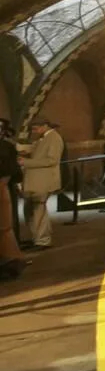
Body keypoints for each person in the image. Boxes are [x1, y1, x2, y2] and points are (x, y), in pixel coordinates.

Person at [20, 118, 64, 250]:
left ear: (45, 126)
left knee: (38, 210)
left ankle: (43, 240)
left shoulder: (54, 138)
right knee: (31, 210)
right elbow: (37, 152)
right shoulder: (43, 138)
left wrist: (26, 162)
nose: (34, 131)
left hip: (44, 181)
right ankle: (37, 237)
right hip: (37, 181)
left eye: (35, 128)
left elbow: (51, 160)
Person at [0, 119, 24, 279]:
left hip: (2, 189)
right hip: (4, 188)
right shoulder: (6, 146)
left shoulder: (5, 147)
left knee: (4, 228)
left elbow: (9, 171)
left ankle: (11, 263)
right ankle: (12, 262)